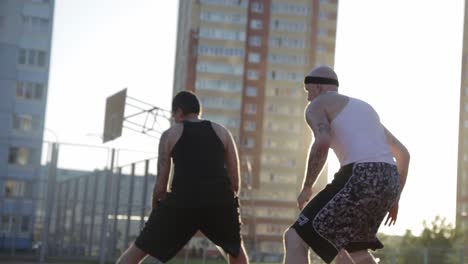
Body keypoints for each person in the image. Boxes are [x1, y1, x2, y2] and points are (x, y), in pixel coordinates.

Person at [282, 66, 410, 264]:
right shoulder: (364, 109)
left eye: (308, 92)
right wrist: (395, 197)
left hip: (360, 175)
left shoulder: (318, 105)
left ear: (317, 87)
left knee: (296, 237)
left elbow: (322, 141)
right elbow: (403, 154)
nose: (308, 99)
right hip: (388, 179)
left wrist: (307, 187)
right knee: (355, 250)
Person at [117, 91, 249, 264]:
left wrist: (157, 212)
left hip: (182, 201)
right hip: (219, 200)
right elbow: (235, 181)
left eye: (173, 115)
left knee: (136, 252)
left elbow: (160, 185)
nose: (173, 118)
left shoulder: (170, 135)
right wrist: (228, 209)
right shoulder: (222, 132)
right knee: (236, 252)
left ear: (179, 111)